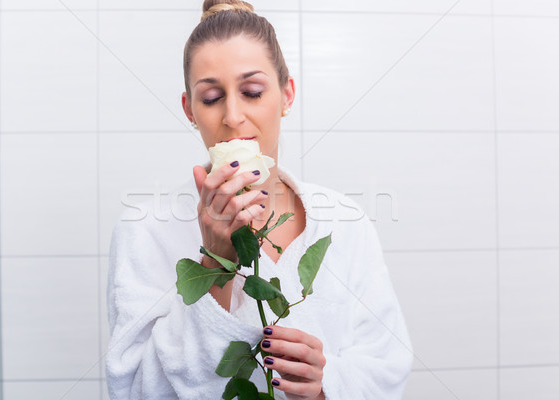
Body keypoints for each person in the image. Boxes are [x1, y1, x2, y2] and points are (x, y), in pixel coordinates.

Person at [105, 1, 413, 399]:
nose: (233, 116)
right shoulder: (143, 229)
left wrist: (326, 386)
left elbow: (387, 367)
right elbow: (133, 389)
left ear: (286, 95)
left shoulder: (346, 221)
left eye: (251, 91)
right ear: (190, 110)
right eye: (212, 97)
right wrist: (217, 262)